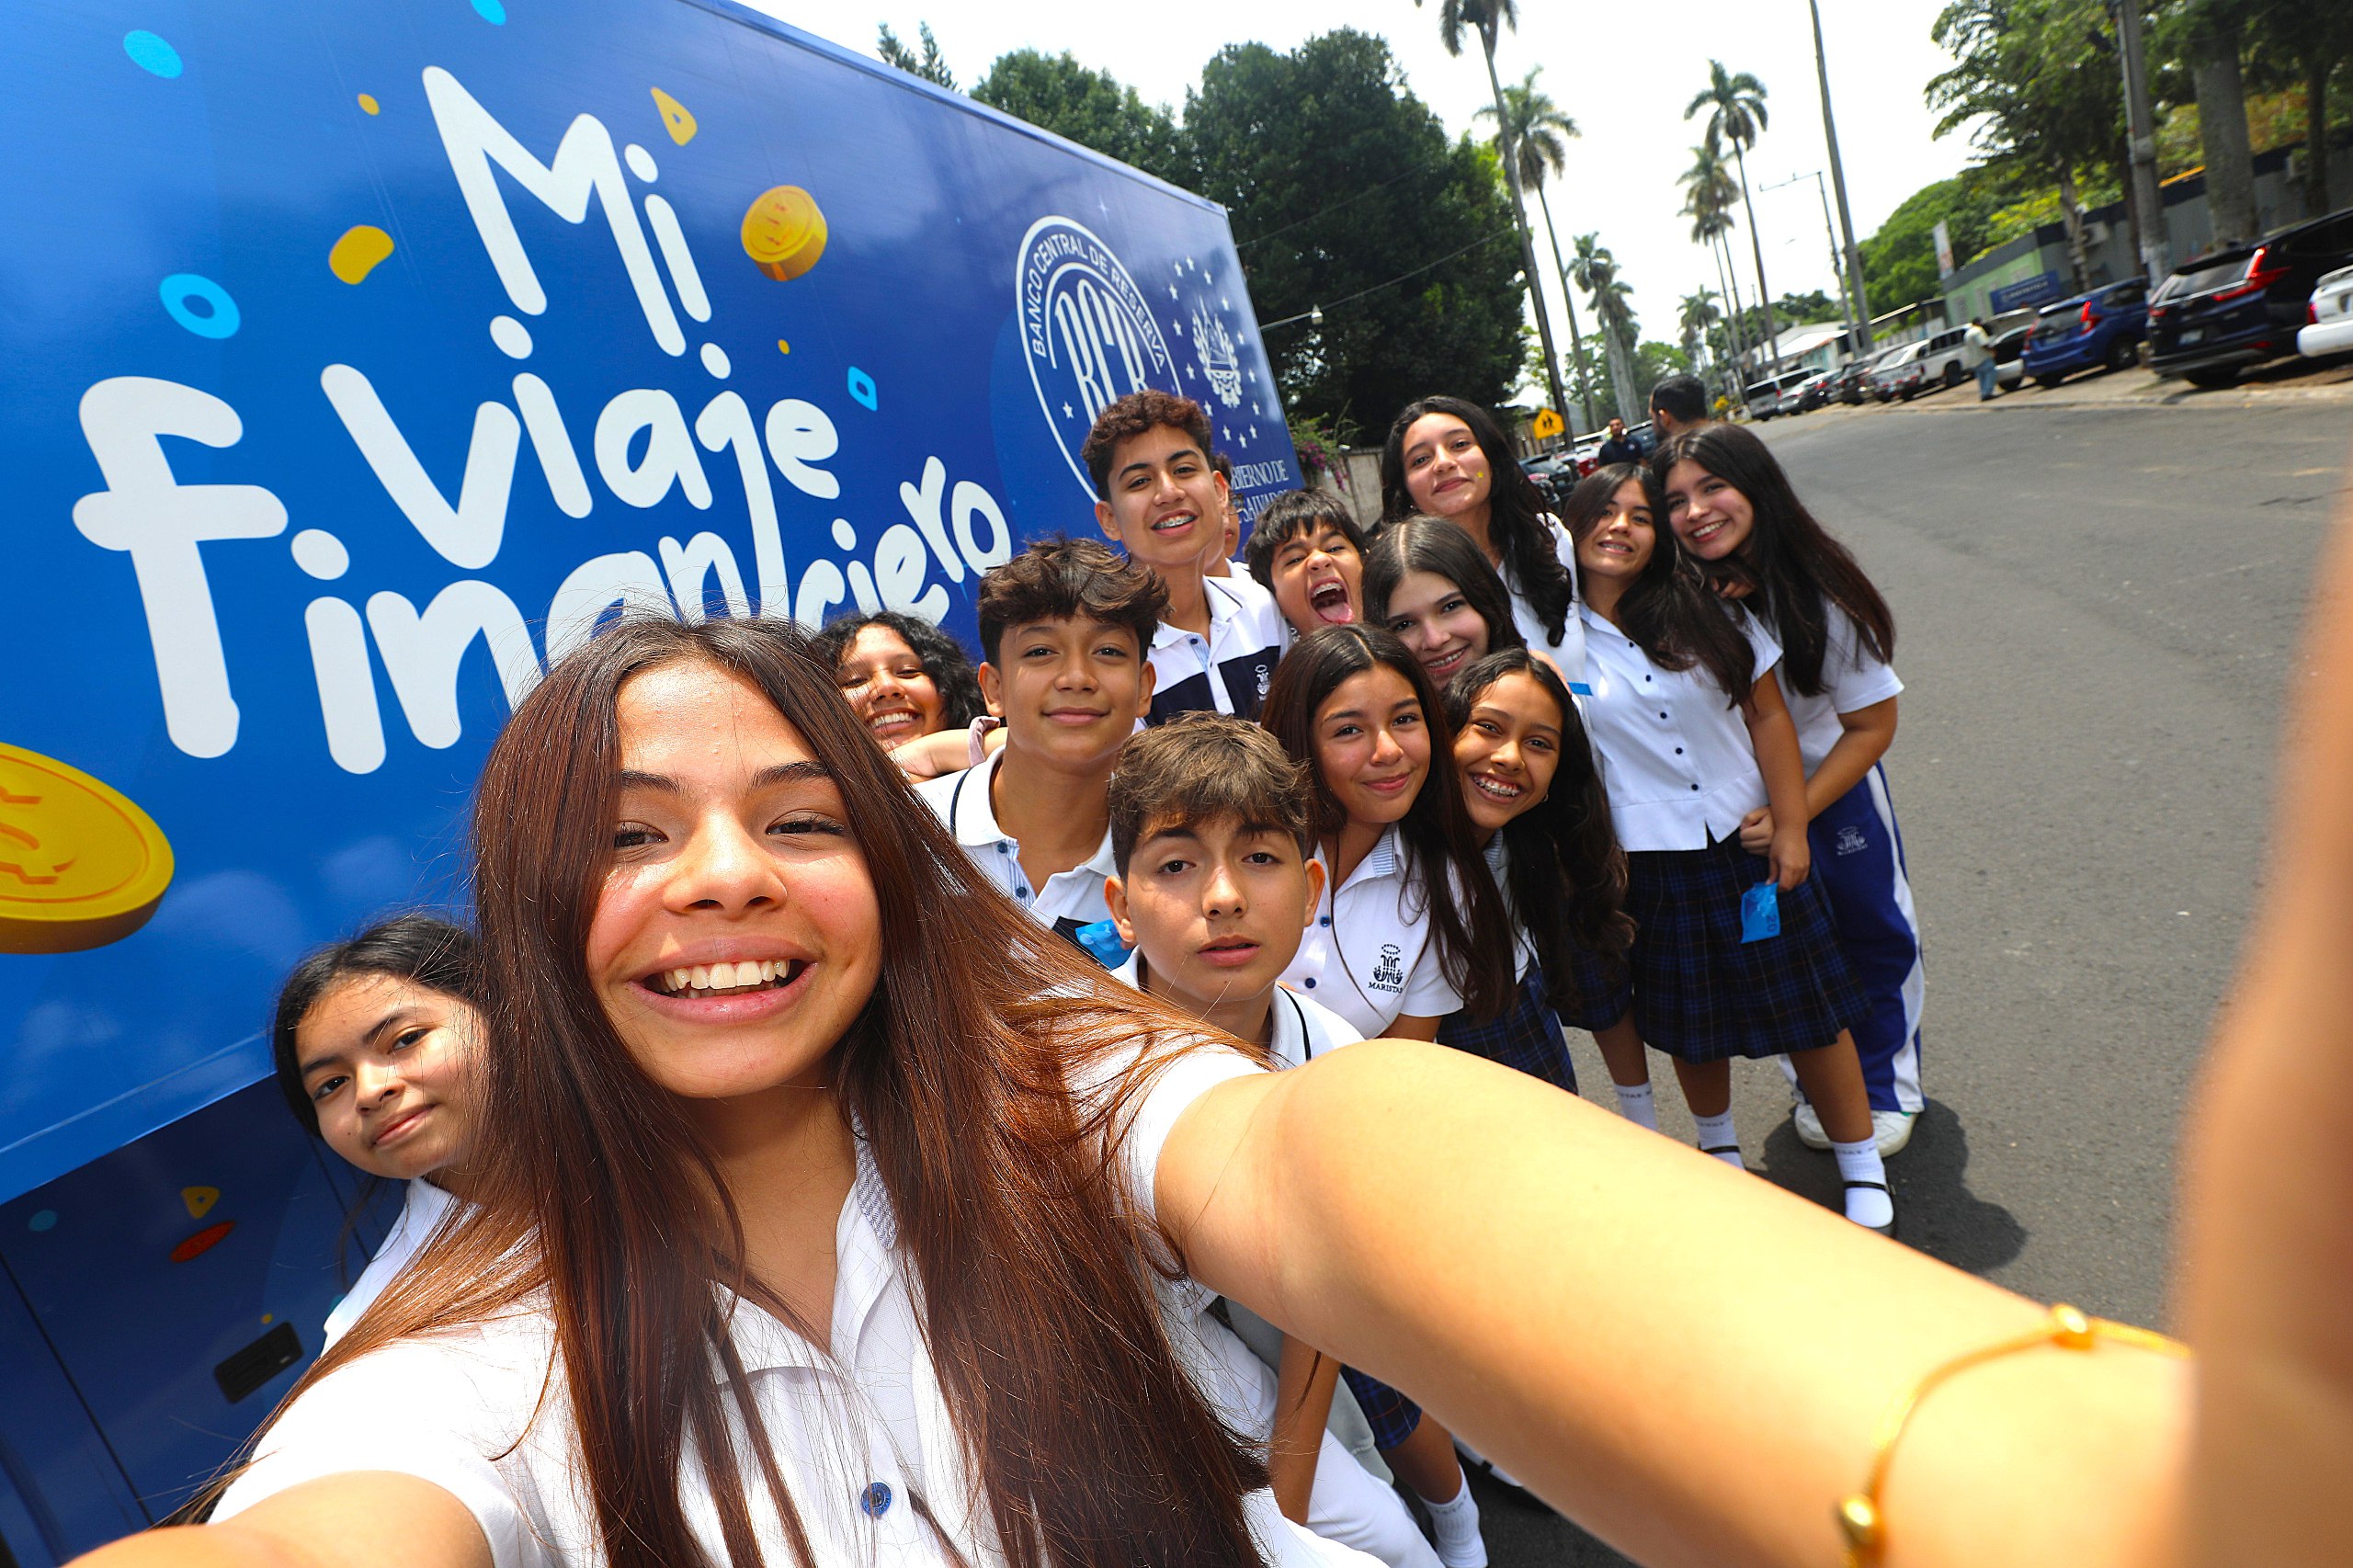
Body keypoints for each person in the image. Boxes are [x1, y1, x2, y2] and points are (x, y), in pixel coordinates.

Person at [84, 543, 2353, 1568]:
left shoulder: (1058, 1087)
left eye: (798, 819)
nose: (718, 875)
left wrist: (2017, 1476)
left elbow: (1339, 1162)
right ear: (528, 927)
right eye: (626, 835)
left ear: (889, 877)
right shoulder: (457, 1343)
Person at [1102, 717, 1444, 1568]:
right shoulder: (1066, 1071)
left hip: (1279, 1355)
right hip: (1120, 1394)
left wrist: (1285, 1514)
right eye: (1176, 865)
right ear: (1120, 909)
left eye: (1260, 857)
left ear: (1312, 885)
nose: (1222, 897)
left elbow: (1316, 1320)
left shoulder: (1339, 1061)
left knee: (1395, 1543)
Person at [1563, 464, 1893, 1233]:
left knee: (1812, 1010)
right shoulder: (1559, 636)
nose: (1621, 528)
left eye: (1641, 516)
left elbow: (1769, 717)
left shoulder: (1707, 611)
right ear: (1572, 529)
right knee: (1689, 1020)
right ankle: (1720, 1154)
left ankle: (1861, 1160)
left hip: (1746, 845)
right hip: (1650, 861)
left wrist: (1791, 824)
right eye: (1602, 514)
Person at [1259, 624, 1516, 1552]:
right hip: (1216, 1157)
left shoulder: (1442, 887)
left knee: (1386, 1389)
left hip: (1341, 1178)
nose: (1386, 750)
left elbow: (1400, 1077)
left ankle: (1455, 1520)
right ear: (1299, 740)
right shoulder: (1244, 843)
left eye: (1405, 719)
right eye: (1348, 728)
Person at [1654, 422, 1925, 1154]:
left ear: (1758, 488)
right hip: (1745, 813)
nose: (1696, 511)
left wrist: (1794, 813)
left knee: (1871, 931)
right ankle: (1817, 1084)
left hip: (1833, 795)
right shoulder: (1684, 596)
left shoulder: (1821, 592)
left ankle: (1888, 1087)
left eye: (1713, 487)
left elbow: (1871, 726)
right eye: (1676, 499)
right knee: (1782, 949)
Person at [914, 538, 1157, 955]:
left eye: (1109, 651)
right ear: (994, 688)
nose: (1077, 677)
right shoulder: (909, 830)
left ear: (1144, 687)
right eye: (1041, 651)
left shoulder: (1168, 856)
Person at [271, 915, 487, 1349]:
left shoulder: (659, 1139)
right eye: (331, 1085)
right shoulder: (370, 1334)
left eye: (405, 1040)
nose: (369, 1092)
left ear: (509, 1012)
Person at [1436, 651, 1635, 1097]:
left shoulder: (1528, 852)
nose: (1510, 757)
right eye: (1488, 727)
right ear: (1444, 731)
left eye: (1539, 743)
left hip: (1514, 1034)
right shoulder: (1383, 844)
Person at [1086, 390, 1285, 723]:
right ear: (1109, 519)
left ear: (1220, 490)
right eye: (1139, 481)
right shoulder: (1107, 657)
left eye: (1183, 469)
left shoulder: (1259, 608)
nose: (1169, 492)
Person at [1381, 396, 1583, 680]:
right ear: (1406, 490)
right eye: (1421, 459)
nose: (1444, 463)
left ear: (1491, 460)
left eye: (1459, 445)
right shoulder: (1402, 581)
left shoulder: (1547, 538)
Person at [808, 609, 992, 780]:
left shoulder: (996, 778)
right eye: (855, 681)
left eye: (907, 671)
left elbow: (1017, 747)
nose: (887, 687)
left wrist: (933, 753)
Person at [1361, 517, 1521, 687]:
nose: (1435, 640)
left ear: (1487, 600)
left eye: (1450, 607)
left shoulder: (1542, 695)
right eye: (1404, 625)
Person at [1245, 489, 1367, 642]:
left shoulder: (1405, 643)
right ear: (1274, 600)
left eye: (1334, 548)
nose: (1319, 559)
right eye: (1295, 559)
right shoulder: (1284, 666)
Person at [1647, 373, 1709, 439]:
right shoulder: (1719, 440)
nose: (1652, 426)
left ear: (1665, 418)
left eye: (1652, 417)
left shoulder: (1680, 449)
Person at [1965, 316, 1998, 400]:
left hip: (1974, 360)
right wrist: (1993, 351)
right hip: (1983, 357)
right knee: (1990, 374)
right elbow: (1983, 344)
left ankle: (1983, 393)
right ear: (1978, 323)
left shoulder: (1967, 334)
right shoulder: (1978, 331)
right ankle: (1987, 393)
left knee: (1981, 378)